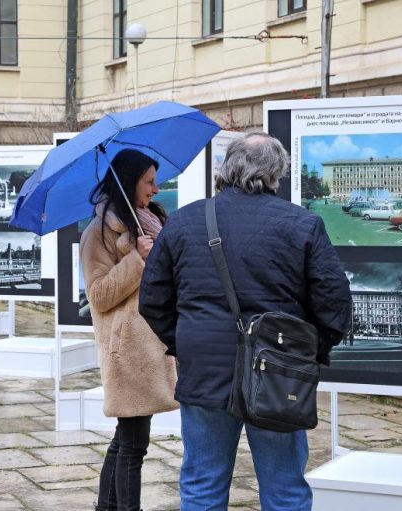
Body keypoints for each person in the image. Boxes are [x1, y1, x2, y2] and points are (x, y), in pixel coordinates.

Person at [139, 133, 352, 511]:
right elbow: (334, 305)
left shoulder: (184, 222)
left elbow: (153, 300)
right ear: (276, 174)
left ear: (226, 170)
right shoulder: (302, 224)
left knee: (202, 486)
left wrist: (187, 342)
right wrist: (305, 353)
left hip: (205, 370)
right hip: (278, 372)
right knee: (284, 489)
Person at [80, 149, 179, 511]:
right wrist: (137, 259)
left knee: (127, 438)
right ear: (129, 181)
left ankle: (107, 506)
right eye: (149, 182)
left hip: (153, 343)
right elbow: (99, 295)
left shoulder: (149, 221)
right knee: (135, 444)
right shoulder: (98, 233)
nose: (155, 189)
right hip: (128, 350)